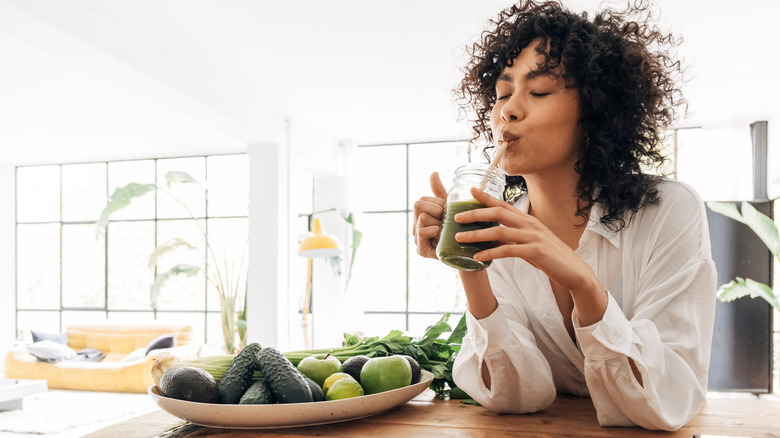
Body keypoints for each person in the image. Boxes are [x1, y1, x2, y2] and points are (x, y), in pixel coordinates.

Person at [412, 0, 716, 431]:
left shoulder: (668, 211)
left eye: (538, 92)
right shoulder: (498, 226)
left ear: (593, 110)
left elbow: (669, 400)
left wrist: (584, 284)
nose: (508, 111)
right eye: (502, 93)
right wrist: (469, 262)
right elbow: (514, 397)